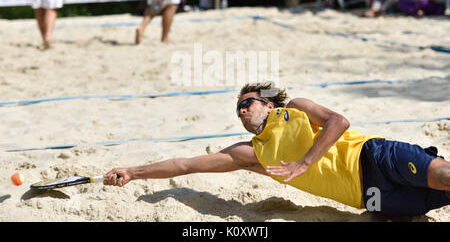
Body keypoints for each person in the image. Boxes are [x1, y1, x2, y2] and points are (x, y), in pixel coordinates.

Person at [104, 82, 450, 218]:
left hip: (374, 156)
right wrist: (133, 172)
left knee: (444, 176)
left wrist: (305, 162)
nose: (242, 111)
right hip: (370, 199)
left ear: (268, 104)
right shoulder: (252, 154)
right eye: (238, 110)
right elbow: (185, 165)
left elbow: (339, 122)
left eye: (247, 103)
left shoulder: (295, 108)